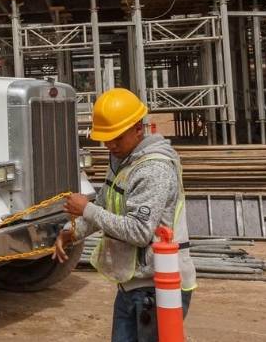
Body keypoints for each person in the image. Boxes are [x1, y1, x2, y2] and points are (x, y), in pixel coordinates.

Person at [53, 88, 196, 342]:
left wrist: (86, 209)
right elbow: (106, 206)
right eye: (106, 139)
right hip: (132, 283)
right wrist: (72, 232)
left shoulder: (153, 169)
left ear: (138, 129)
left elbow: (139, 231)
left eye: (116, 138)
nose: (110, 145)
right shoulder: (122, 161)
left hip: (158, 286)